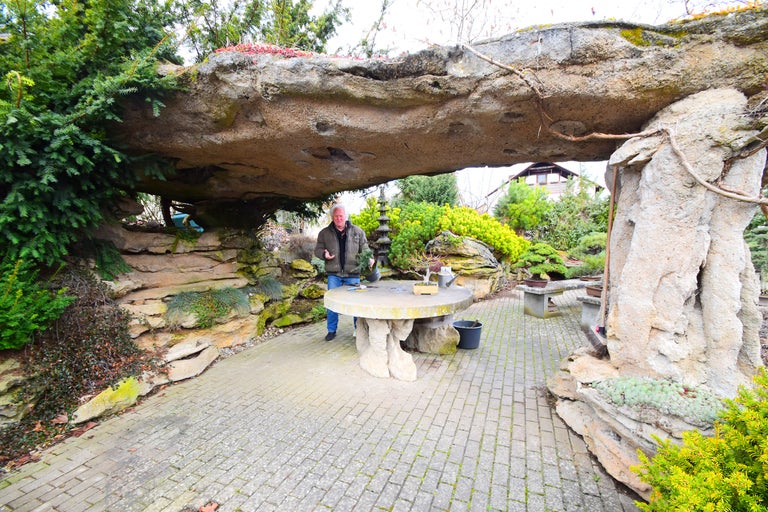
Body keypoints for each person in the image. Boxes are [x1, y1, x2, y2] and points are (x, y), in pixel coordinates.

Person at [315, 203, 374, 341]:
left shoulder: (358, 232)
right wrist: (324, 254)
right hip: (334, 274)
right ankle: (331, 330)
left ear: (345, 216)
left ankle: (358, 330)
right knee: (331, 304)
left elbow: (365, 248)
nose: (339, 219)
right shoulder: (324, 233)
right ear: (332, 218)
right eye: (336, 216)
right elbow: (317, 250)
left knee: (356, 304)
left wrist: (369, 257)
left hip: (353, 273)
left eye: (341, 216)